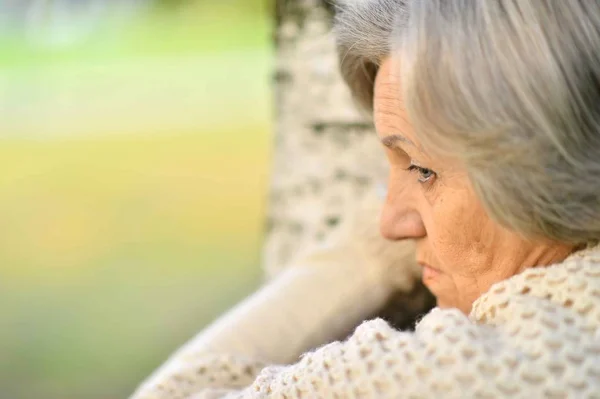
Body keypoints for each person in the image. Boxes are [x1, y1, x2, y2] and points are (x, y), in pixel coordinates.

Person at [132, 0, 600, 397]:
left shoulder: (475, 369)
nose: (389, 224)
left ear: (553, 167)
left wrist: (368, 257)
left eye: (423, 169)